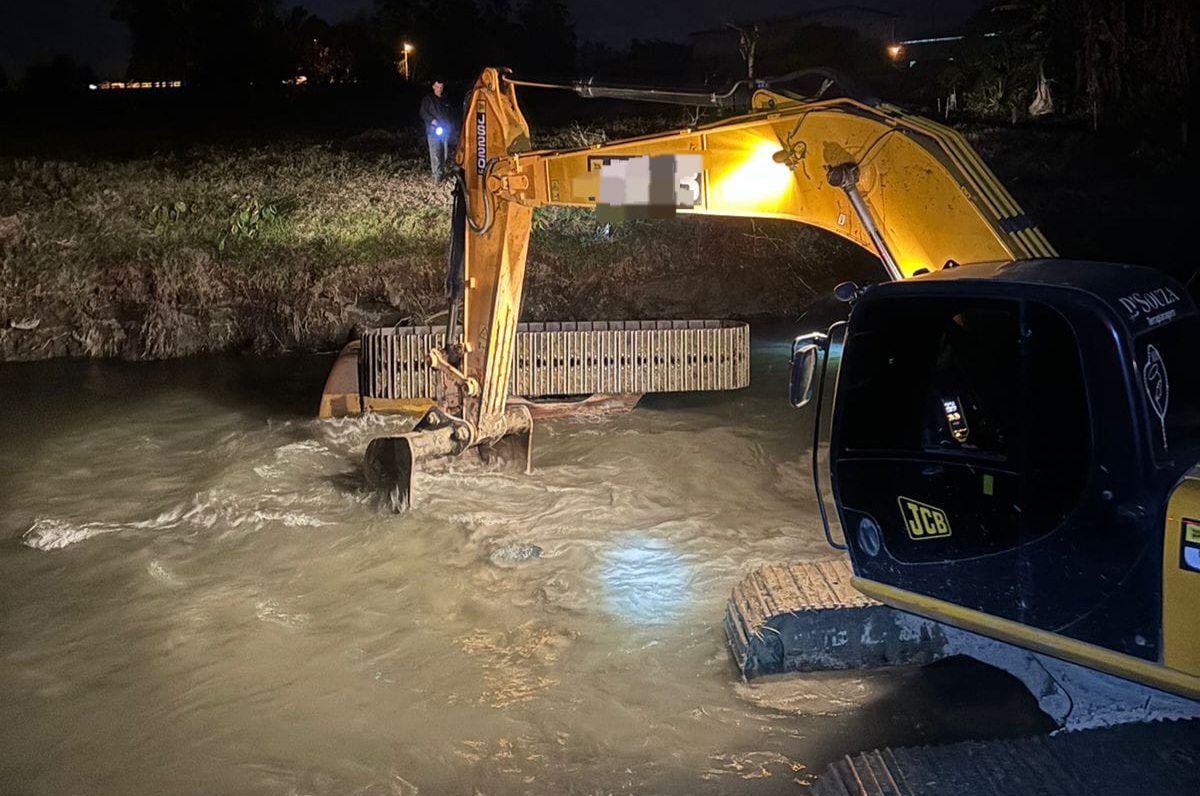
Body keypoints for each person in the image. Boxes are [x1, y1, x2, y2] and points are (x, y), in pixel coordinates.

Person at [419, 78, 456, 181]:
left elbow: (450, 114)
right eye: (437, 87)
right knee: (435, 153)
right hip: (433, 130)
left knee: (444, 153)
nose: (439, 89)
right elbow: (423, 112)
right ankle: (437, 176)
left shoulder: (445, 99)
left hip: (445, 130)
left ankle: (442, 172)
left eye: (441, 87)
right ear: (433, 87)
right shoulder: (428, 100)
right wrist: (432, 120)